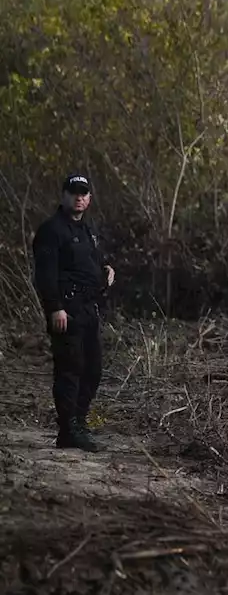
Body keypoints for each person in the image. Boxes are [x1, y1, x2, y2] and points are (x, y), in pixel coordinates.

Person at [31, 173, 116, 453]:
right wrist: (55, 307)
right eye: (73, 192)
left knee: (93, 369)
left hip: (89, 310)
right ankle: (68, 429)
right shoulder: (51, 230)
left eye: (83, 193)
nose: (79, 197)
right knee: (70, 369)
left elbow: (94, 261)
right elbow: (45, 274)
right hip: (65, 311)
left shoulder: (88, 230)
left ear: (89, 198)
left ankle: (78, 422)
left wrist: (107, 270)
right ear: (63, 195)